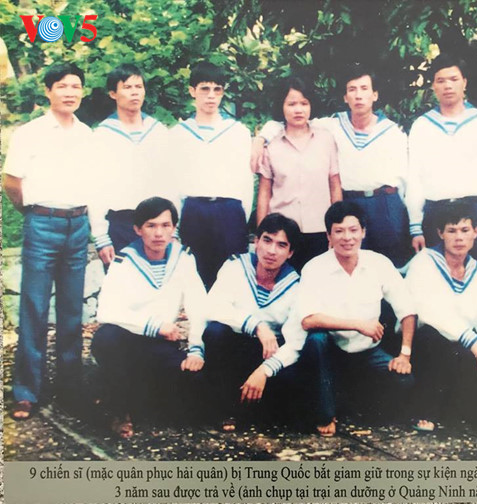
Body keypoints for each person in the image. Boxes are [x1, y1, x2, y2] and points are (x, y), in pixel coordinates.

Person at [253, 63, 413, 268]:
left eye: (364, 89)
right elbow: (290, 123)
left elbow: (407, 177)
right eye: (352, 90)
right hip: (350, 202)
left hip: (385, 204)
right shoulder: (332, 126)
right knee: (349, 266)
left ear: (375, 95)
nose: (358, 96)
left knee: (389, 266)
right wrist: (261, 138)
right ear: (345, 97)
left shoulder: (392, 132)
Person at [3, 63, 93, 420]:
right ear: (48, 91)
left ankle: (71, 389)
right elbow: (11, 182)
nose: (70, 92)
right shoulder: (30, 133)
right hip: (42, 223)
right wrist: (34, 212)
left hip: (78, 224)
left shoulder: (87, 134)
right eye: (62, 86)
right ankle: (27, 391)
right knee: (35, 308)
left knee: (72, 311)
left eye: (76, 86)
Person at [297, 201, 416, 436]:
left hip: (367, 352)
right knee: (316, 340)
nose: (347, 238)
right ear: (328, 236)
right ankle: (325, 413)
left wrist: (404, 354)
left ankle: (351, 401)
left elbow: (407, 309)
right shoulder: (315, 268)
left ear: (363, 232)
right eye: (339, 231)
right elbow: (307, 319)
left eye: (353, 230)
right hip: (331, 351)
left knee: (404, 381)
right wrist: (358, 325)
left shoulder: (378, 263)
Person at [91, 197, 207, 438]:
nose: (159, 233)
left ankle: (143, 396)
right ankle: (120, 409)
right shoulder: (124, 260)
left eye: (165, 225)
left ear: (174, 228)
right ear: (137, 229)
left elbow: (199, 306)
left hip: (161, 344)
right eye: (151, 226)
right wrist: (153, 325)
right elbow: (106, 310)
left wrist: (196, 349)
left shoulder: (183, 258)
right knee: (105, 338)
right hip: (127, 342)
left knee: (191, 393)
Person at [405, 202, 477, 432]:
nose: (459, 238)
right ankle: (424, 410)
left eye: (465, 230)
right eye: (451, 231)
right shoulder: (424, 261)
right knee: (433, 339)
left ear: (476, 232)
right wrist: (471, 340)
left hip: (464, 344)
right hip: (425, 342)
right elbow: (429, 311)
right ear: (440, 233)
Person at [407, 54, 477, 261]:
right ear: (433, 86)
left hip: (476, 211)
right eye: (441, 81)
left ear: (464, 82)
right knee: (437, 273)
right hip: (436, 212)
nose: (448, 86)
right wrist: (415, 225)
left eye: (454, 79)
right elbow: (414, 178)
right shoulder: (422, 126)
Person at [202, 213, 301, 431]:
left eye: (281, 245)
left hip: (268, 355)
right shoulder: (236, 266)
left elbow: (296, 341)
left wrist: (264, 370)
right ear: (256, 241)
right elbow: (213, 306)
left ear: (290, 252)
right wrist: (257, 326)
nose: (271, 251)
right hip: (234, 346)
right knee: (215, 332)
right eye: (267, 240)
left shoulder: (294, 285)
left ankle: (252, 405)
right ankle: (223, 408)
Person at [170, 61, 253, 289]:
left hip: (229, 212)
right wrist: (175, 225)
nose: (211, 96)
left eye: (217, 89)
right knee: (196, 282)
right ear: (192, 91)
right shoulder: (179, 134)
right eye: (204, 89)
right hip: (194, 212)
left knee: (231, 282)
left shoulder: (237, 132)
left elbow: (245, 181)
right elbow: (174, 180)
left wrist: (240, 218)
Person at [89, 64, 172, 266]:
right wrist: (100, 235)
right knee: (122, 282)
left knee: (158, 281)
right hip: (120, 223)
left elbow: (171, 181)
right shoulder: (103, 135)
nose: (134, 92)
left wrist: (172, 228)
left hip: (156, 222)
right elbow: (95, 188)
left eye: (138, 86)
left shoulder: (158, 131)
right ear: (113, 94)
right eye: (127, 87)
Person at [256, 76, 342, 271]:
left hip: (320, 229)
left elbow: (335, 185)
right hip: (281, 235)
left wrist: (336, 228)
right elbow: (264, 192)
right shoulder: (271, 144)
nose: (298, 110)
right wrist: (262, 234)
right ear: (281, 106)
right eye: (291, 104)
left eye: (304, 103)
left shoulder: (326, 140)